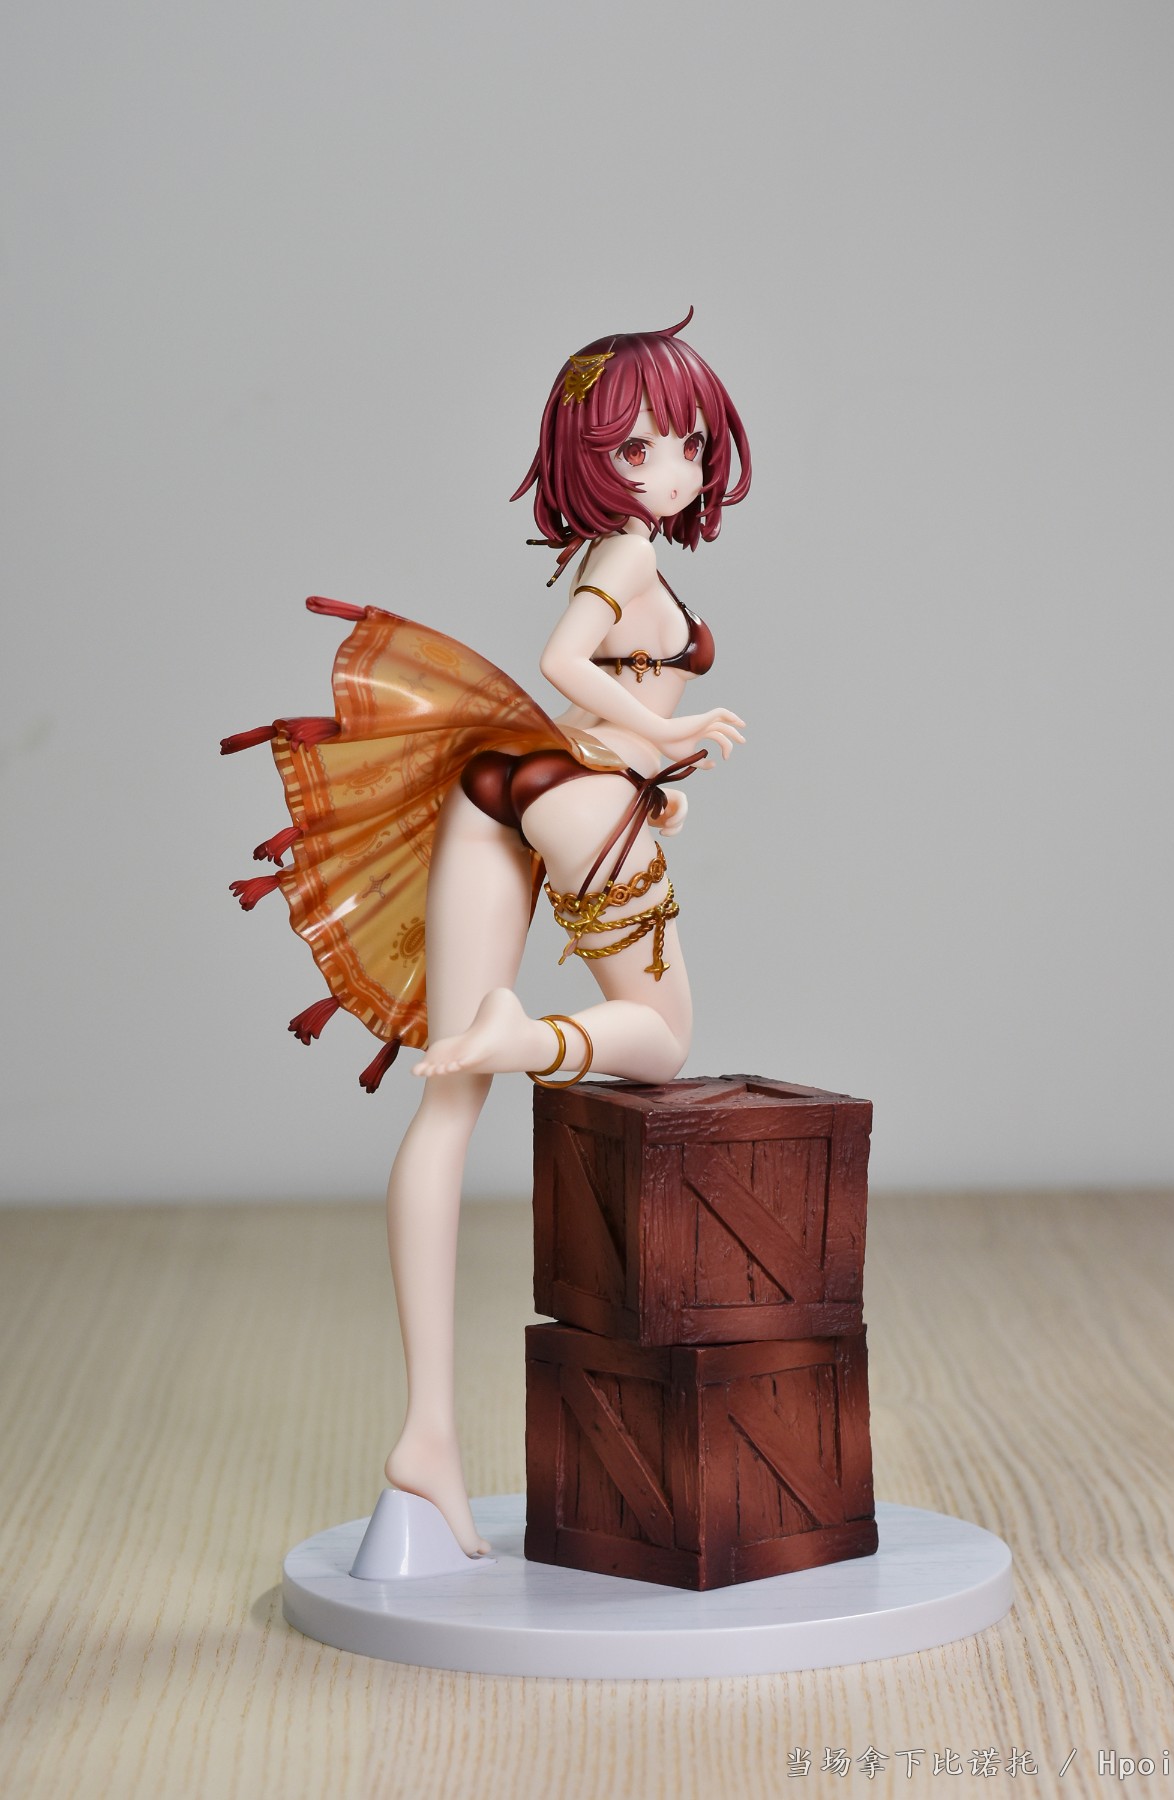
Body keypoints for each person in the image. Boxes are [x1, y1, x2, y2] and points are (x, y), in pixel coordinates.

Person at [223, 310, 751, 1555]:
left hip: (506, 780)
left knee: (443, 1101)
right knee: (661, 1040)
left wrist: (654, 771)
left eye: (686, 444)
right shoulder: (627, 553)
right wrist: (669, 732)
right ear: (589, 458)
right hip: (568, 792)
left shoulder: (623, 554)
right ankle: (528, 1039)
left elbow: (594, 715)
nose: (671, 470)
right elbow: (566, 662)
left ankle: (426, 1438)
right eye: (638, 448)